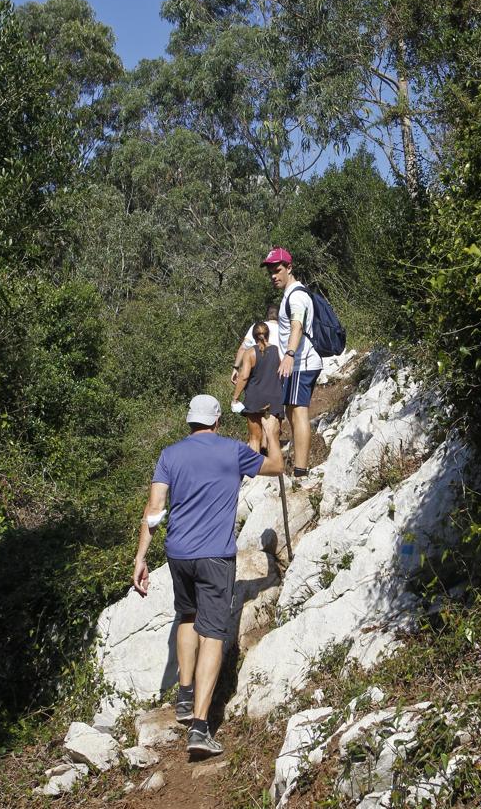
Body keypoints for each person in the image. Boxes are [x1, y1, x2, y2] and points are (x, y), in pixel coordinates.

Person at [132, 394, 283, 757]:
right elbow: (276, 466)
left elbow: (154, 510)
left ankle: (185, 696)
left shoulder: (170, 454)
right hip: (215, 556)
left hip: (178, 555)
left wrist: (140, 558)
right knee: (213, 633)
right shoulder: (232, 451)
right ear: (217, 422)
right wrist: (271, 432)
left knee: (187, 616)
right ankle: (200, 727)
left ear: (190, 422)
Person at [260, 247, 322, 482]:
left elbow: (297, 326)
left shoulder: (296, 295)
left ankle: (301, 470)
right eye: (270, 272)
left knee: (298, 413)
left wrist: (289, 354)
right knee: (291, 411)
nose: (273, 276)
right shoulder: (291, 294)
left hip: (301, 362)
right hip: (298, 362)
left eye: (277, 270)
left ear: (289, 268)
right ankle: (299, 465)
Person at [231, 321, 285, 452]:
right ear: (268, 334)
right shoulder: (276, 350)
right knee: (274, 437)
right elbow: (281, 373)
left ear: (254, 336)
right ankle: (276, 468)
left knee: (254, 437)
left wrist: (235, 397)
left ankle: (255, 470)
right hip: (275, 396)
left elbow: (244, 377)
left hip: (255, 396)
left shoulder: (250, 352)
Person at [231, 304, 280, 385]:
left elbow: (243, 348)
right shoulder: (285, 330)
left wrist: (236, 368)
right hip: (277, 377)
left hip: (256, 377)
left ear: (267, 315)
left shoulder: (257, 327)